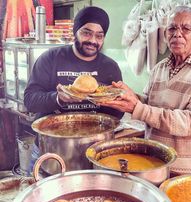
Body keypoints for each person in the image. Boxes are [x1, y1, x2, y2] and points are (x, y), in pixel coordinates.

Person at [101, 6, 191, 176]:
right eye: (172, 28)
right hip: (154, 162)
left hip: (188, 170)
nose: (177, 33)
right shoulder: (160, 67)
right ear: (166, 34)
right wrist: (130, 96)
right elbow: (149, 103)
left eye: (186, 28)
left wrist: (137, 108)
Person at [24, 6, 124, 173]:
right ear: (75, 31)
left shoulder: (110, 67)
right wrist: (58, 98)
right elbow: (30, 101)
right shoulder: (50, 59)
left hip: (95, 153)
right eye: (86, 32)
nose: (93, 40)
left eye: (99, 36)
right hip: (51, 151)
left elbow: (116, 115)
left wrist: (110, 100)